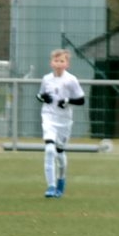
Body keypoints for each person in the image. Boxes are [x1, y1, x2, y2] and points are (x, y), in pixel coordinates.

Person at [35, 49, 86, 198]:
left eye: (62, 61)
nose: (58, 64)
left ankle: (61, 180)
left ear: (67, 64)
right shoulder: (46, 79)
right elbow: (40, 95)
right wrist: (43, 98)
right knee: (49, 150)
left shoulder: (71, 80)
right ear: (51, 63)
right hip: (48, 118)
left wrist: (67, 101)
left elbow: (81, 100)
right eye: (56, 61)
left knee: (59, 152)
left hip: (64, 121)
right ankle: (51, 186)